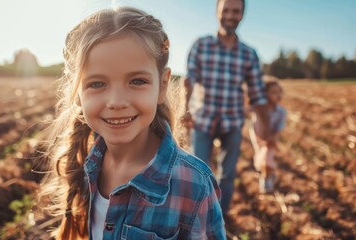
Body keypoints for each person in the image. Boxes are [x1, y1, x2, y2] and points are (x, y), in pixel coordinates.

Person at [39, 7, 226, 240]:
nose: (117, 102)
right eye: (96, 84)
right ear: (78, 93)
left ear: (163, 85)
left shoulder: (194, 185)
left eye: (137, 81)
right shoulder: (85, 163)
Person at [182, 0, 270, 215]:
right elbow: (189, 81)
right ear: (217, 12)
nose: (230, 16)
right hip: (203, 119)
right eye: (226, 11)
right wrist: (185, 109)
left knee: (228, 175)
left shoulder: (249, 54)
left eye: (235, 11)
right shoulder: (201, 45)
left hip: (232, 122)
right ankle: (196, 219)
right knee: (199, 173)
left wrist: (266, 129)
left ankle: (218, 222)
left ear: (242, 15)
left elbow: (257, 93)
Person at [249, 80, 286, 193]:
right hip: (257, 136)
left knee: (267, 156)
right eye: (274, 92)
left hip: (271, 138)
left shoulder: (281, 112)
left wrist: (272, 138)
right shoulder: (259, 107)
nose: (278, 95)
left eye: (279, 92)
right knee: (261, 157)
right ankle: (269, 174)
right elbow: (247, 110)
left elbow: (278, 129)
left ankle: (265, 181)